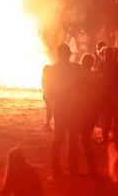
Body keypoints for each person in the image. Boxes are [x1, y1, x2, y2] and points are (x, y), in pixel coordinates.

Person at [46, 44, 88, 176]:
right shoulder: (77, 68)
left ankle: (56, 169)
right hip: (74, 107)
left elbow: (48, 91)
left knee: (58, 139)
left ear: (58, 54)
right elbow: (85, 87)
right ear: (69, 54)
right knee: (73, 139)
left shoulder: (51, 70)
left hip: (60, 106)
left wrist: (57, 99)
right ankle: (74, 170)